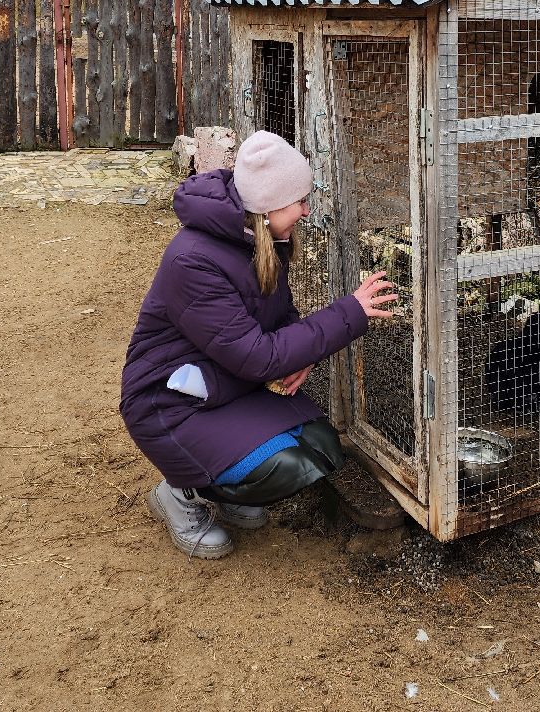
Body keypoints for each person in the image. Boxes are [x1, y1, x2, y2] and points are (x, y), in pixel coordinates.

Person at [121, 130, 397, 559]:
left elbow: (278, 316)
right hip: (171, 402)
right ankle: (180, 494)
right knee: (286, 467)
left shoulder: (259, 239)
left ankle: (228, 488)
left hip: (226, 385)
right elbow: (256, 356)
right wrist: (349, 313)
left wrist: (304, 356)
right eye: (299, 202)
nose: (306, 211)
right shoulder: (192, 260)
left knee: (321, 447)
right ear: (268, 208)